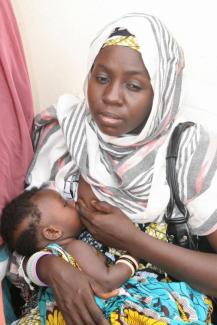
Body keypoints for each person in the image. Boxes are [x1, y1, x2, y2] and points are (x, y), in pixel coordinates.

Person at [6, 13, 217, 325]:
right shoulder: (65, 134)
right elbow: (23, 234)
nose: (110, 97)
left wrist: (134, 241)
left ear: (162, 90)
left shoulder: (186, 152)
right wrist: (50, 268)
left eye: (133, 85)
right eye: (101, 78)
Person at [1, 187, 213, 324]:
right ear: (53, 232)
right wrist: (133, 252)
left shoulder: (62, 249)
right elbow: (107, 280)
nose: (74, 202)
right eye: (65, 204)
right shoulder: (74, 248)